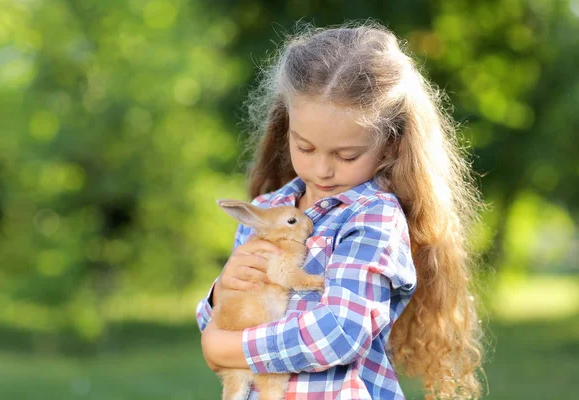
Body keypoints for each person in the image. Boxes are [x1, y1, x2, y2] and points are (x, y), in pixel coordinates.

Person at [196, 22, 485, 400]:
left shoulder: (372, 217)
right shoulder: (268, 210)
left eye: (347, 155)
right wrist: (221, 290)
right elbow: (222, 319)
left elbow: (340, 333)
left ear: (389, 146)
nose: (322, 170)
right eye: (306, 147)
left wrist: (224, 349)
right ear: (288, 127)